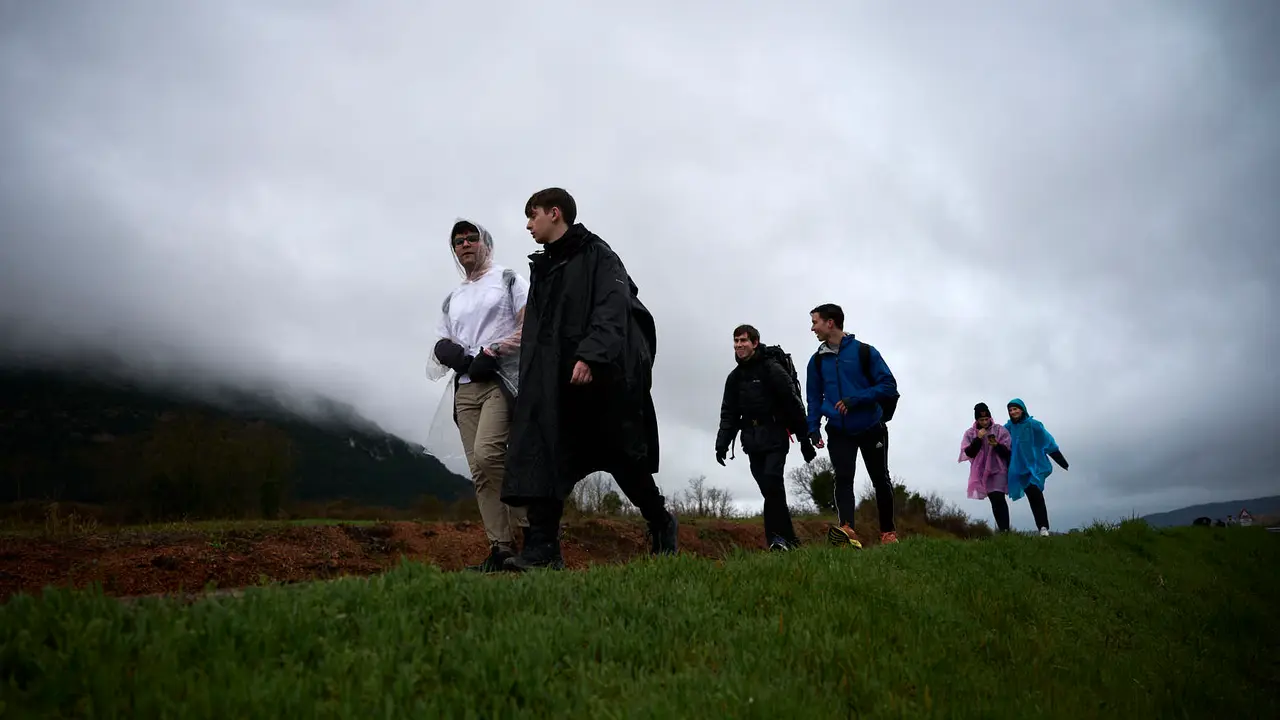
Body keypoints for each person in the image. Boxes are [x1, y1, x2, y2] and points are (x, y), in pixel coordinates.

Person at [501, 187, 678, 571]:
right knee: (547, 457)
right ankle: (544, 550)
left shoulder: (598, 254)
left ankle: (661, 523)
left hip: (601, 385)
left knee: (625, 463)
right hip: (555, 386)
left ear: (555, 213)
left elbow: (614, 306)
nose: (528, 225)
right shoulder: (544, 268)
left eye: (532, 215)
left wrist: (591, 354)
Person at [425, 219, 530, 572]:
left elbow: (530, 325)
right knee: (479, 471)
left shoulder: (508, 281)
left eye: (472, 238)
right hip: (465, 388)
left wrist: (494, 351)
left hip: (500, 381)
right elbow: (443, 339)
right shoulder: (453, 297)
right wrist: (451, 353)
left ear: (486, 243)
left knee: (489, 455)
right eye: (458, 241)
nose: (465, 244)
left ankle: (531, 534)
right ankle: (500, 549)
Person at [804, 303, 901, 547]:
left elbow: (888, 386)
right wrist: (813, 427)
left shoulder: (865, 352)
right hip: (838, 429)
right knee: (843, 478)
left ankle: (888, 533)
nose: (812, 328)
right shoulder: (815, 362)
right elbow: (814, 398)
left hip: (870, 426)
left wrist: (856, 400)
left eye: (815, 322)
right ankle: (847, 529)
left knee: (880, 479)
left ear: (830, 323)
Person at [715, 324, 817, 551]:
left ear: (755, 343)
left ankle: (776, 539)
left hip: (776, 436)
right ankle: (792, 541)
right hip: (751, 441)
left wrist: (804, 440)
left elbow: (793, 404)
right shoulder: (734, 378)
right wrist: (722, 443)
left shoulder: (771, 369)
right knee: (771, 491)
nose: (739, 345)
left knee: (772, 482)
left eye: (743, 341)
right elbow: (729, 413)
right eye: (736, 341)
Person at [1004, 398, 1069, 536]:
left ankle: (1043, 527)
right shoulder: (1008, 428)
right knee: (1032, 496)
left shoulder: (1034, 425)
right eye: (1010, 410)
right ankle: (1041, 527)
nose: (1013, 412)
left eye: (1015, 408)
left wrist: (1061, 460)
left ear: (1022, 409)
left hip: (1036, 466)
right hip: (1021, 469)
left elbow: (1048, 442)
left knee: (1035, 492)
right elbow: (998, 438)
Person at [958, 402, 1013, 532]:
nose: (984, 422)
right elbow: (968, 452)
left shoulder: (999, 430)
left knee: (999, 497)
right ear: (976, 420)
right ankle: (1003, 530)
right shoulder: (970, 433)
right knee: (994, 499)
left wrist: (996, 445)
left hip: (998, 469)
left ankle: (1005, 529)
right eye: (981, 420)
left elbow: (1007, 452)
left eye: (986, 419)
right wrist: (978, 439)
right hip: (982, 472)